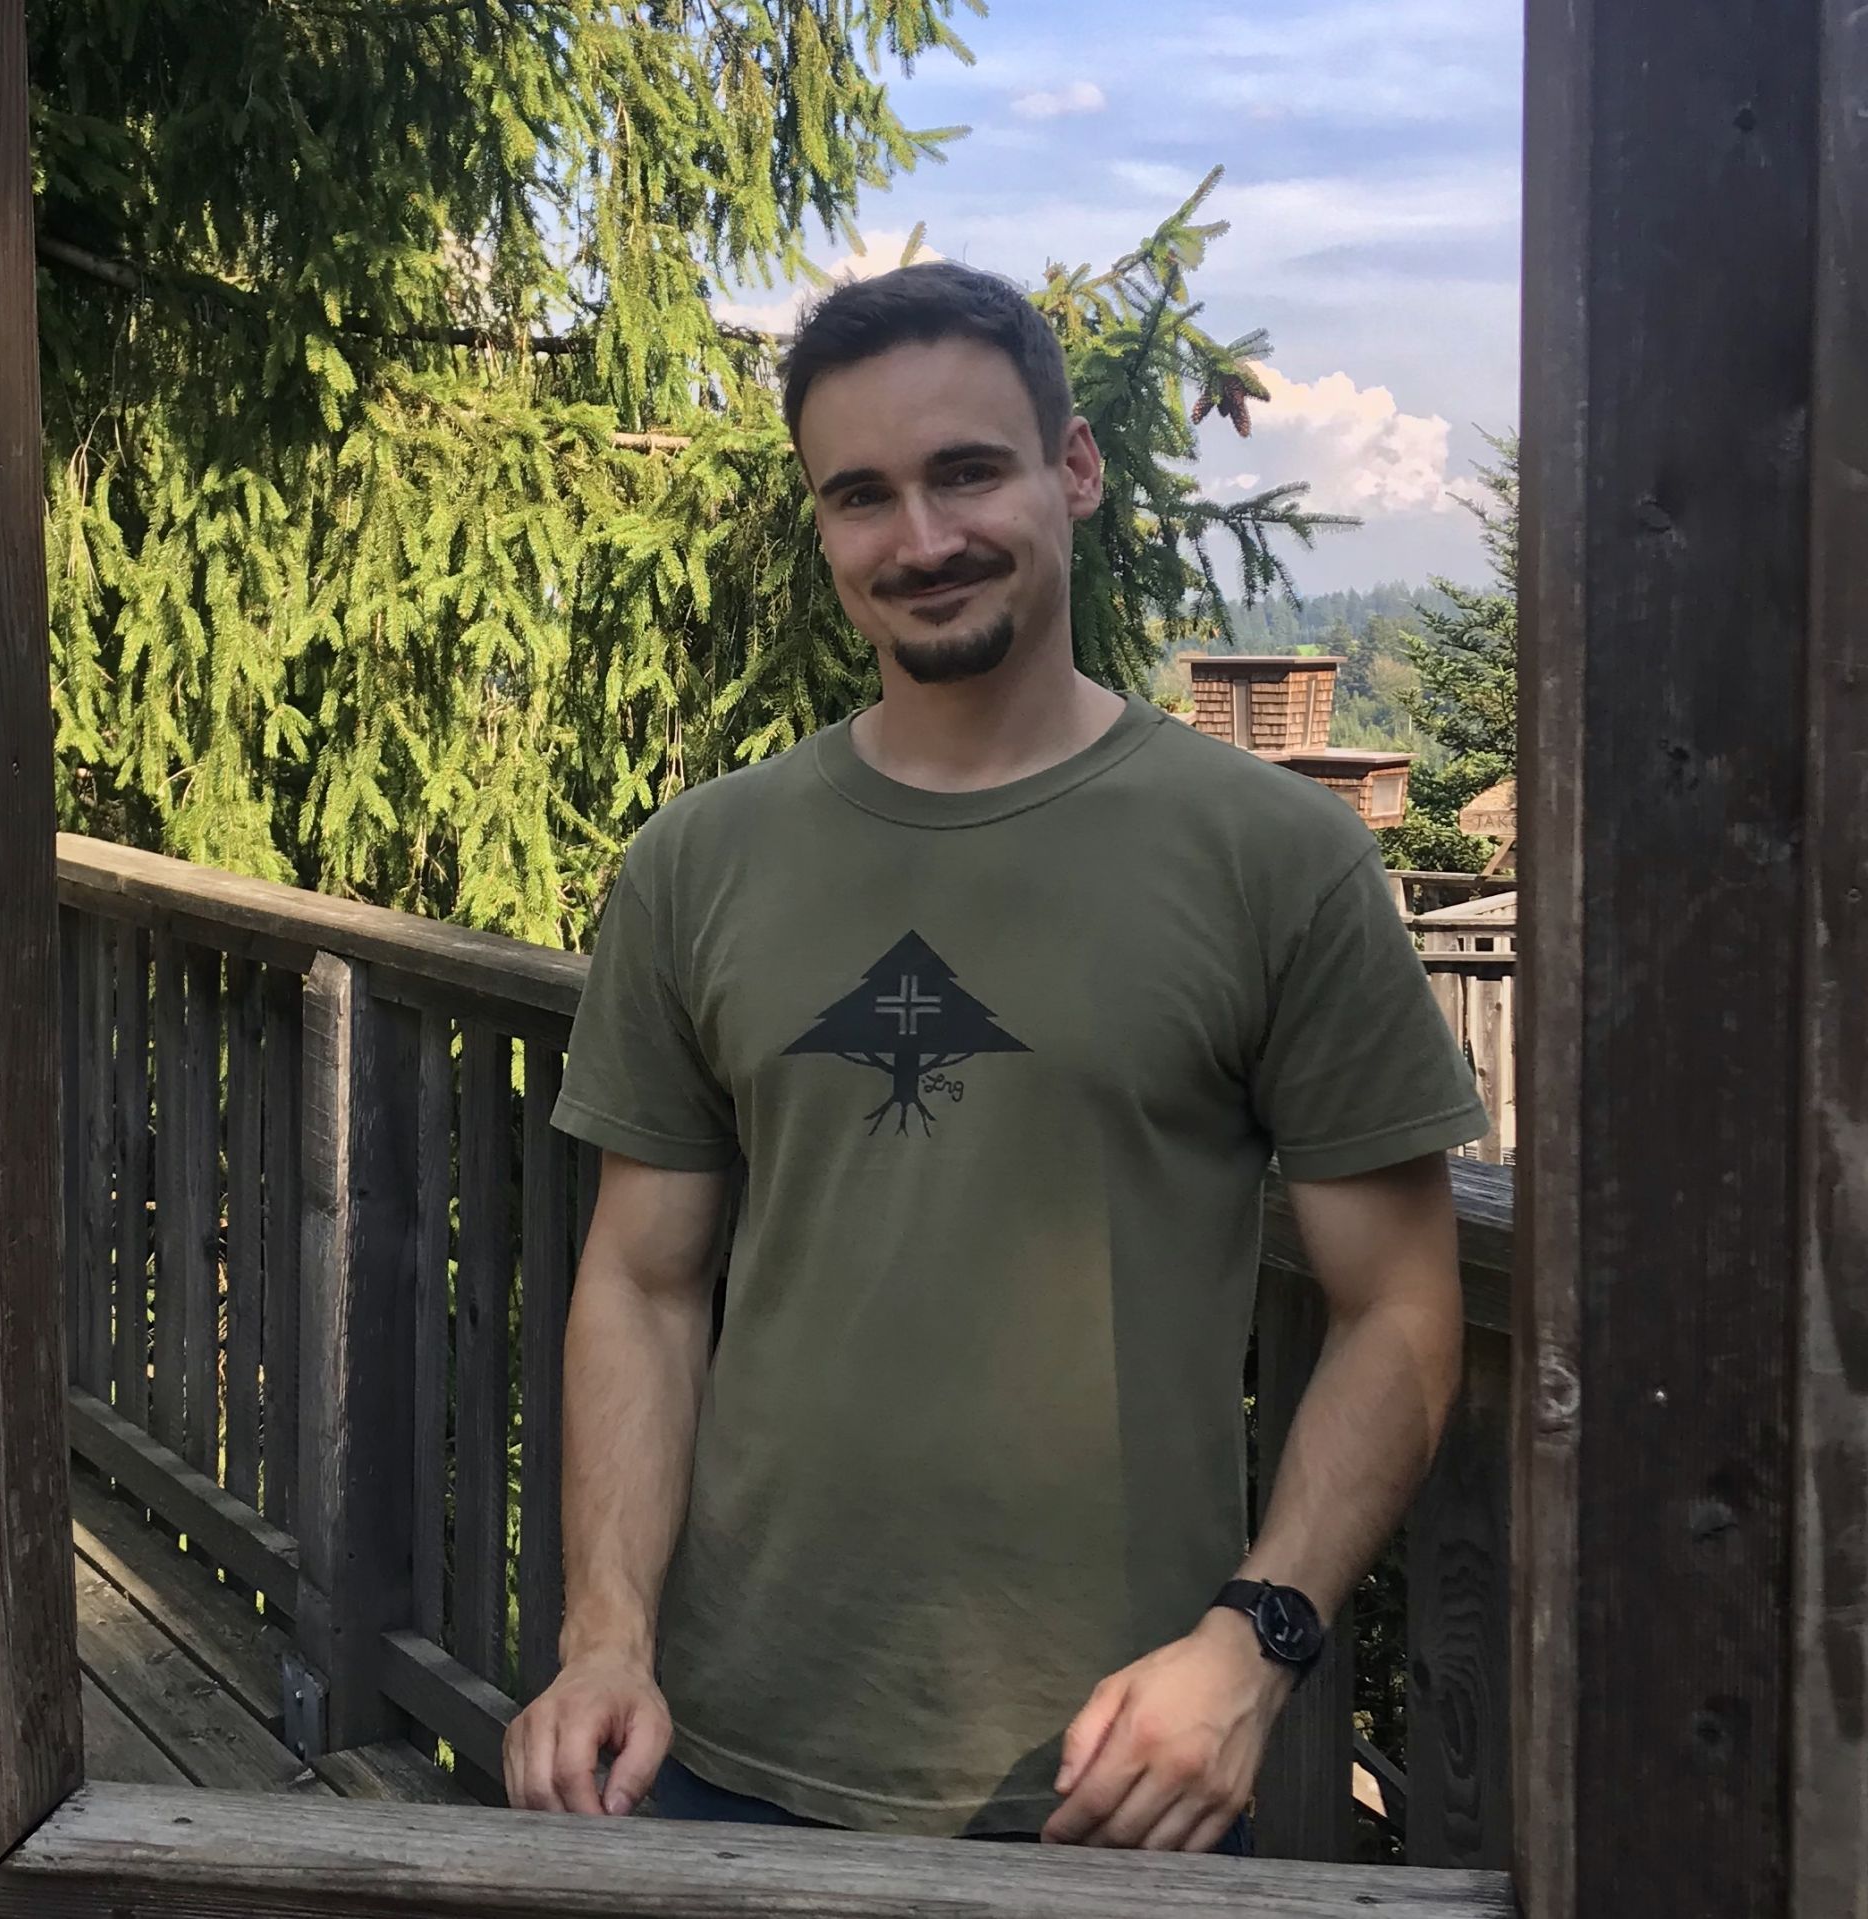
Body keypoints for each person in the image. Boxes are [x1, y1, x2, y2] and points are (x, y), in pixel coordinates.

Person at [501, 260, 1487, 1856]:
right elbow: (642, 1282)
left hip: (1125, 1776)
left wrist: (1256, 1644)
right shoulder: (698, 863)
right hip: (708, 1753)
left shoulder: (1278, 860)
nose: (921, 538)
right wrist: (604, 1637)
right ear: (823, 523)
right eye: (862, 495)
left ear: (1073, 468)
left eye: (967, 471)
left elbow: (1401, 1311)